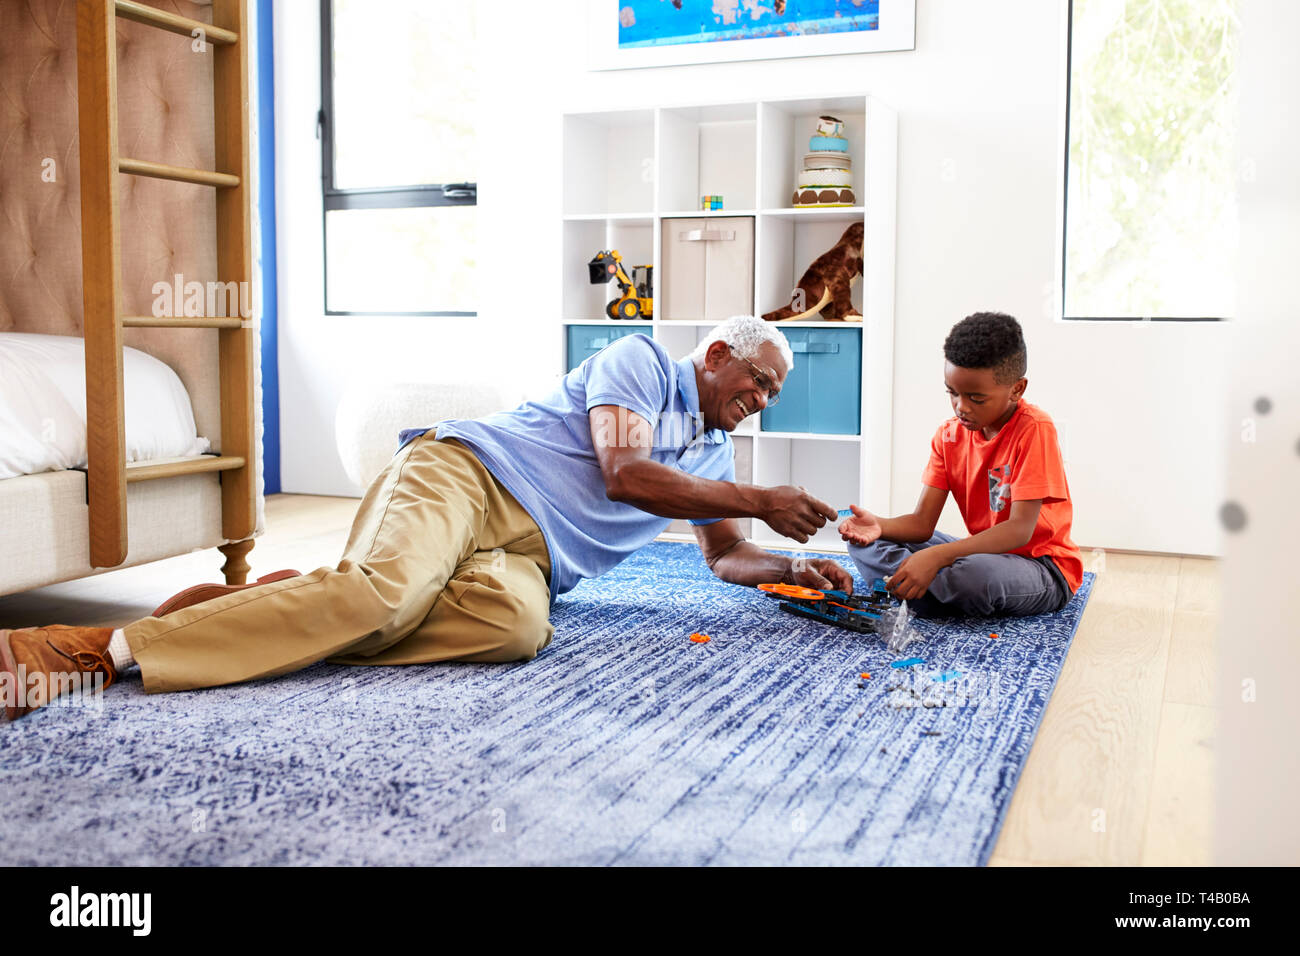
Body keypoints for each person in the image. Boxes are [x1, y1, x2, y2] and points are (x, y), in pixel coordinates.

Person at [2, 316, 851, 720]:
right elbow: (625, 474)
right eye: (758, 381)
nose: (761, 401)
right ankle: (94, 649)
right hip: (470, 474)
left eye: (772, 393)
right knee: (386, 598)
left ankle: (288, 600)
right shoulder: (638, 362)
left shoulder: (714, 458)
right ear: (712, 357)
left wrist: (786, 566)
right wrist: (761, 499)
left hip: (532, 565)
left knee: (517, 631)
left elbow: (724, 555)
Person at [839, 311, 1082, 617]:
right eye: (952, 393)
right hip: (979, 552)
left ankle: (912, 589)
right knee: (864, 544)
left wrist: (940, 556)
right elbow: (921, 524)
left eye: (976, 399)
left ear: (1017, 389)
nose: (961, 407)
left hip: (1041, 567)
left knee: (974, 577)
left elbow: (1020, 531)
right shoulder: (949, 436)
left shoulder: (1034, 428)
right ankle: (924, 589)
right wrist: (880, 525)